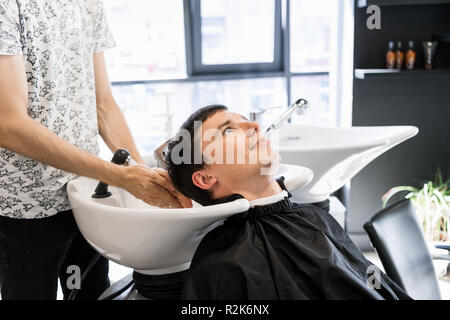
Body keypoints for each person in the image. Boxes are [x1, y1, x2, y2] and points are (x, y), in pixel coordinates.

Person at [0, 0, 190, 300]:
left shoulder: (87, 3)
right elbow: (8, 124)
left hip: (86, 197)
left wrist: (141, 172)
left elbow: (103, 105)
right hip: (29, 208)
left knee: (93, 293)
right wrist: (120, 176)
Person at [164, 105, 412, 300]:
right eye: (228, 130)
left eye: (245, 120)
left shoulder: (314, 219)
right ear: (206, 177)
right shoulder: (222, 265)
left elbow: (373, 284)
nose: (254, 125)